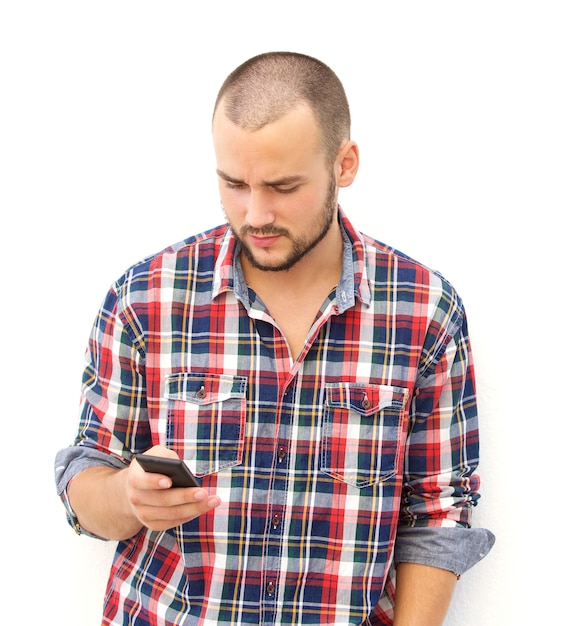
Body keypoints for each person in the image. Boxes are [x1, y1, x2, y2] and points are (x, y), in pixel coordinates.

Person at [55, 51, 494, 625]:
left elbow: (438, 513)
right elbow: (85, 479)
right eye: (234, 183)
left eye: (284, 186)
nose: (255, 213)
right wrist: (126, 497)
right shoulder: (145, 299)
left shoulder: (425, 312)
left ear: (345, 164)